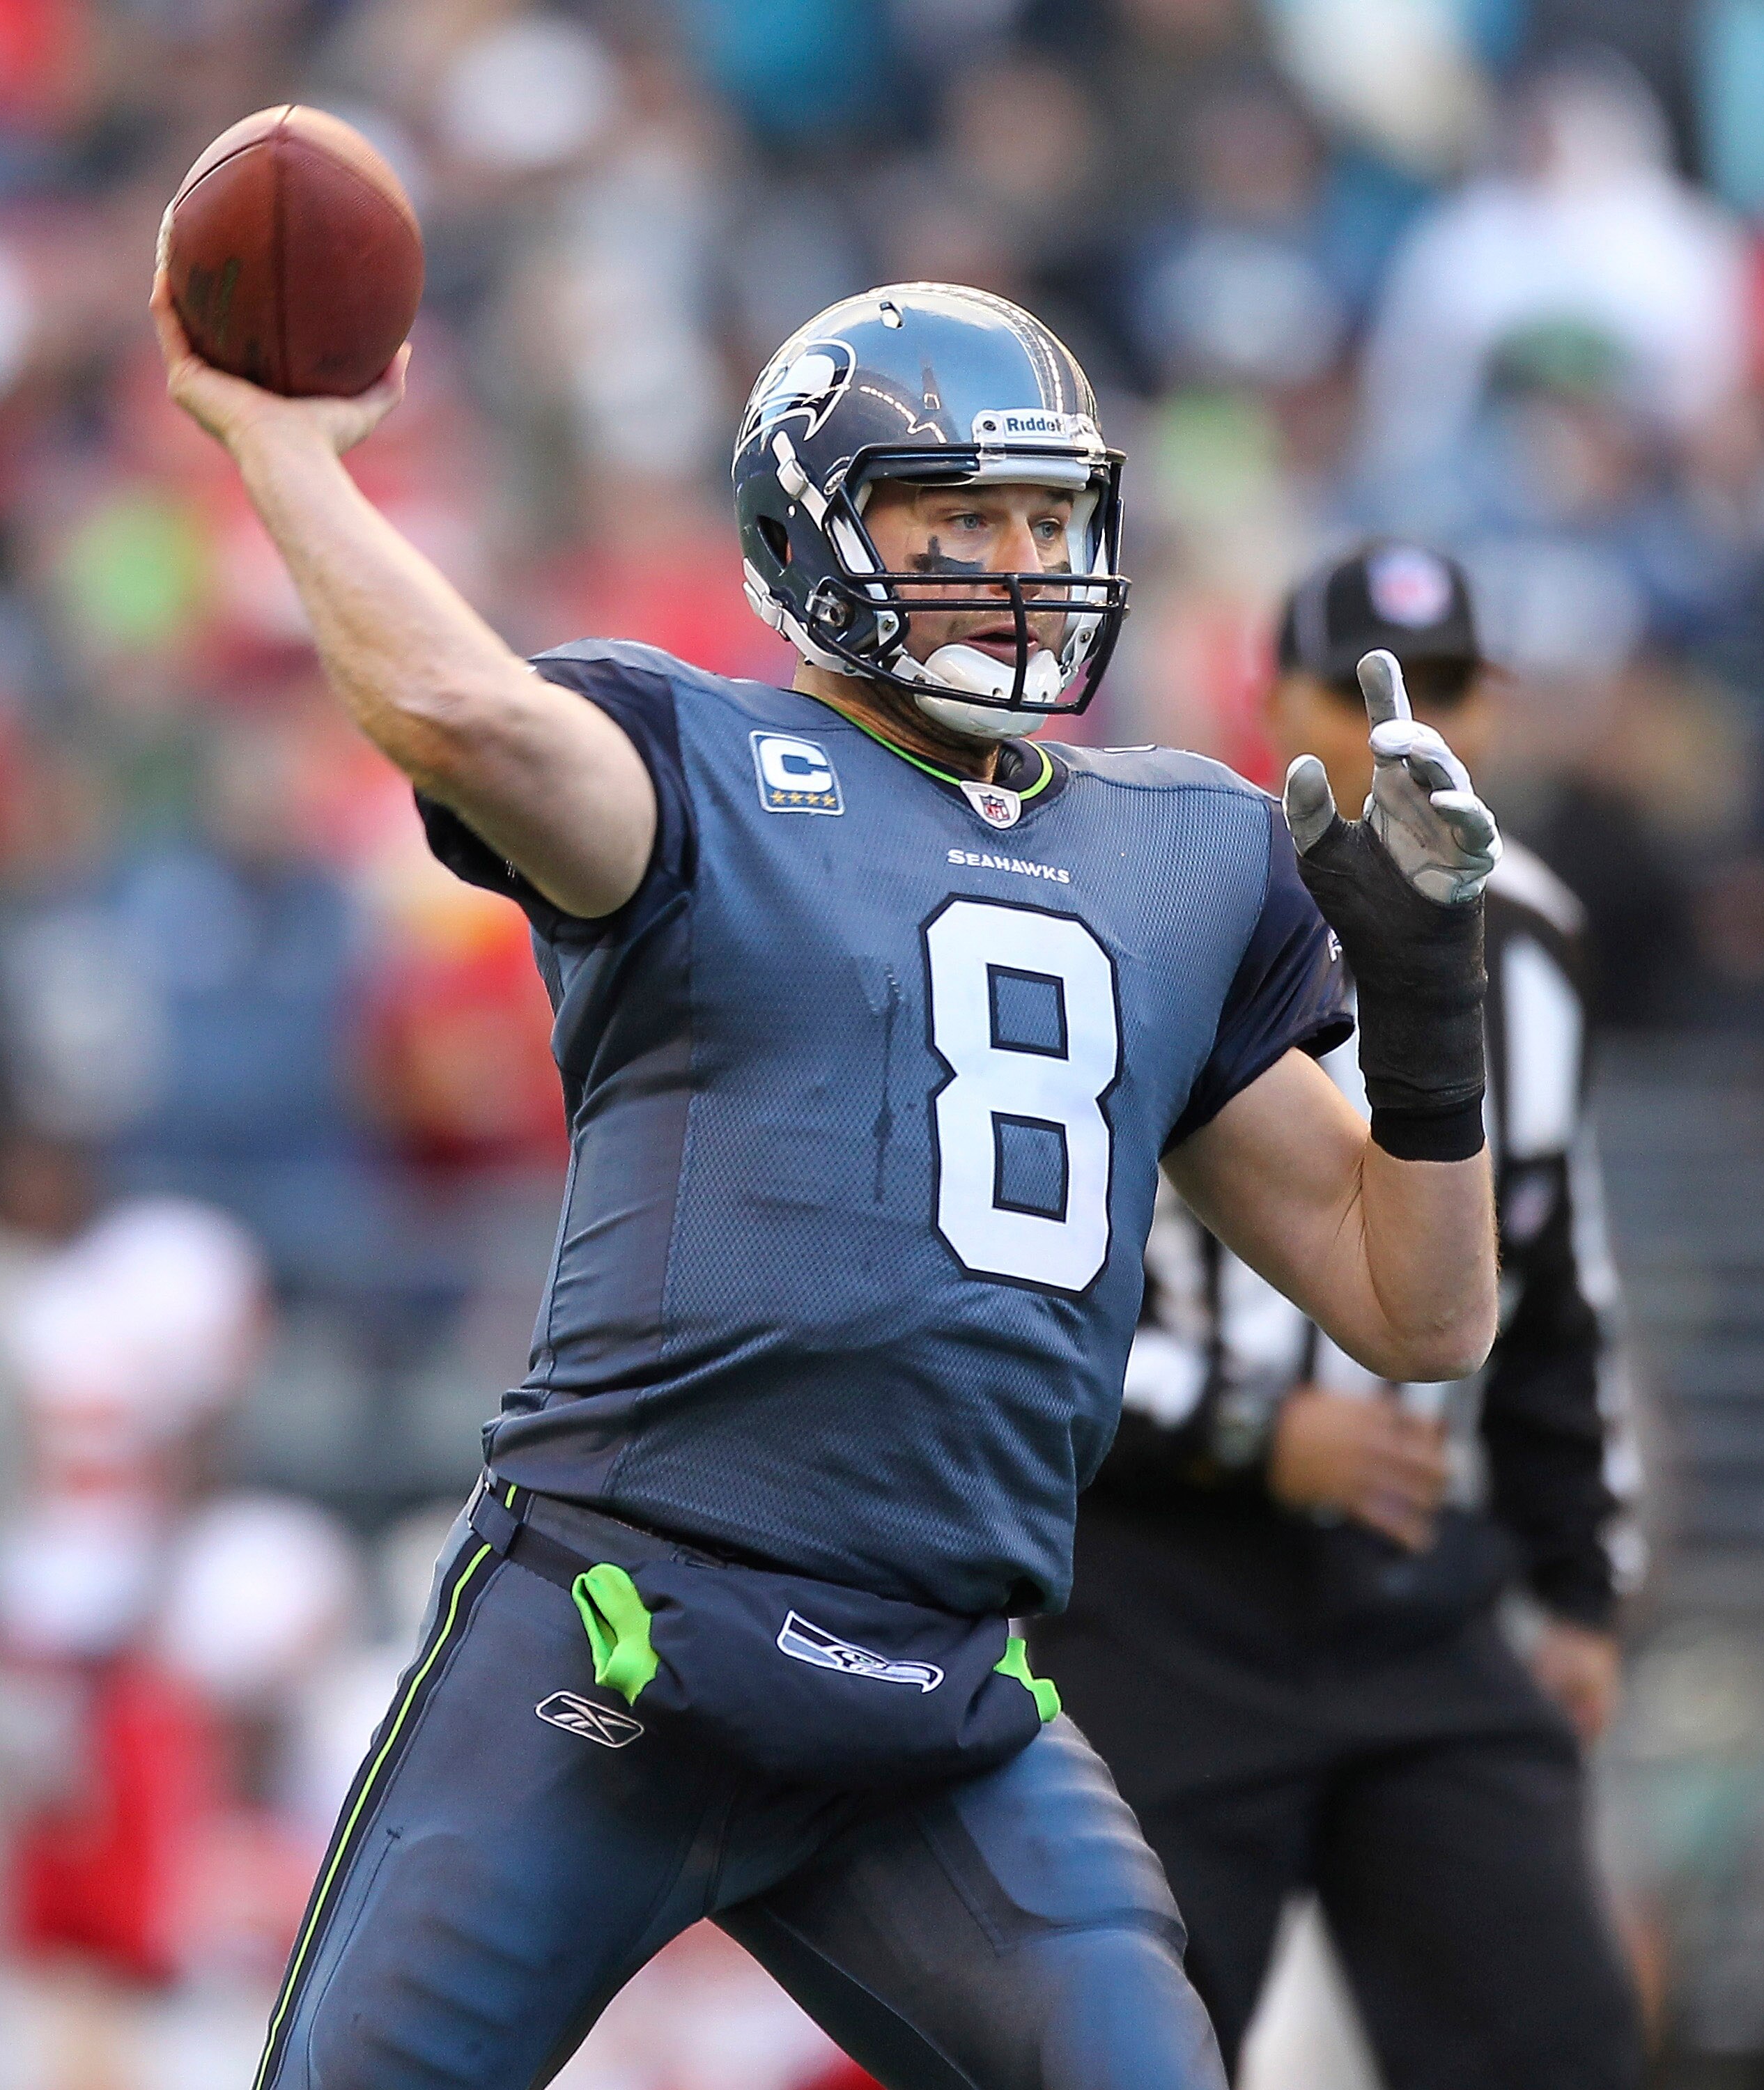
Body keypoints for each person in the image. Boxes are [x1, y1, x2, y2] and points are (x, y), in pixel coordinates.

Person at [152, 270, 1501, 2090]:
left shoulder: (1187, 854)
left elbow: (1415, 1308)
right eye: (960, 517)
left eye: (1048, 518)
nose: (1020, 567)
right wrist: (286, 450)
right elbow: (460, 718)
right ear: (807, 530)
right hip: (611, 1638)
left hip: (937, 1701)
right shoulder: (699, 765)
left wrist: (1426, 1009)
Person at [1035, 541, 1645, 2089]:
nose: (1407, 725)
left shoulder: (1534, 935)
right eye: (1364, 688)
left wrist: (1576, 1583)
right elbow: (1020, 1275)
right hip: (1159, 1589)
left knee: (1556, 2041)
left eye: (1444, 688)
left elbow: (1552, 1280)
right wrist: (1250, 1429)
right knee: (1126, 2051)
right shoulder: (1164, 898)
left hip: (1413, 1584)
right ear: (1278, 705)